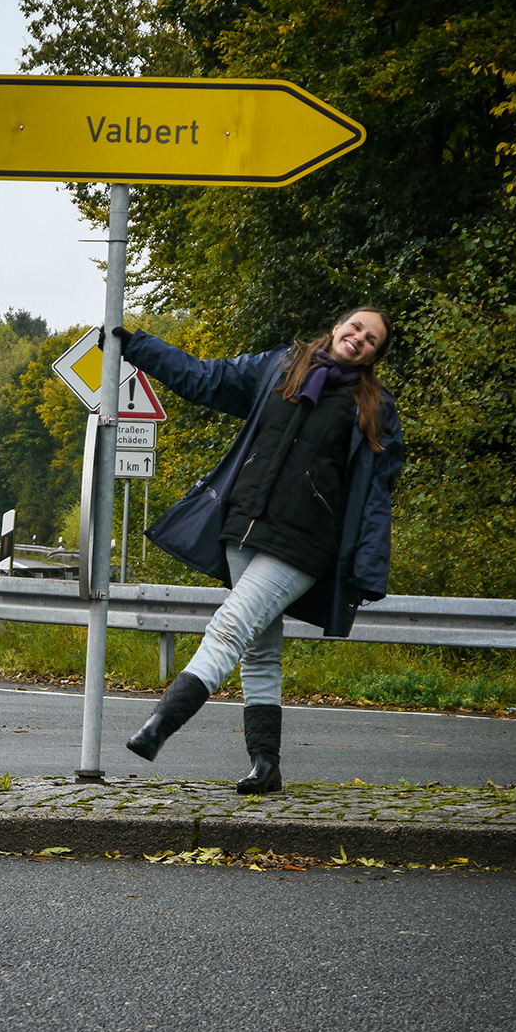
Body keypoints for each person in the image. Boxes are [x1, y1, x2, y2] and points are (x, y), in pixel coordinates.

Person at [112, 308, 405, 793]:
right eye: (355, 328)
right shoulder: (280, 367)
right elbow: (203, 378)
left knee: (230, 626)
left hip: (305, 542)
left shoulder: (373, 407)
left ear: (374, 355)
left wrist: (369, 566)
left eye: (371, 339)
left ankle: (161, 724)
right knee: (259, 649)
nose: (359, 338)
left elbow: (377, 493)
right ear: (336, 326)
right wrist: (138, 346)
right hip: (244, 524)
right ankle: (266, 765)